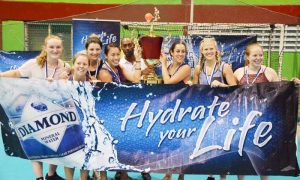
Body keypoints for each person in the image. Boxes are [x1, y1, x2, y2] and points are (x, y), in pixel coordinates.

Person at [0, 35, 69, 180]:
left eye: (58, 47)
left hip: (54, 112)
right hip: (33, 111)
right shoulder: (34, 64)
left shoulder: (65, 66)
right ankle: (39, 178)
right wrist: (1, 74)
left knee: (55, 144)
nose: (55, 50)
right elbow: (17, 73)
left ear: (62, 49)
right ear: (45, 48)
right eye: (51, 47)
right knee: (35, 147)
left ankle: (51, 175)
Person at [193, 37, 237, 180]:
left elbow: (237, 89)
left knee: (222, 145)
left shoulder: (225, 67)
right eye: (206, 49)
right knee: (207, 143)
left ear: (216, 50)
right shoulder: (198, 69)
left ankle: (222, 177)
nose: (209, 51)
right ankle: (210, 175)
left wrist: (221, 85)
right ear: (202, 51)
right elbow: (194, 90)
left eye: (211, 48)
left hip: (223, 113)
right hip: (205, 113)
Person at [234, 43, 279, 180]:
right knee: (241, 153)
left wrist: (293, 84)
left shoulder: (269, 72)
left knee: (262, 154)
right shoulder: (239, 73)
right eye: (255, 55)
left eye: (260, 55)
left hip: (263, 120)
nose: (258, 58)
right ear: (247, 57)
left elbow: (281, 90)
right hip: (242, 119)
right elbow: (229, 93)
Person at [119, 37, 152, 180]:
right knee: (125, 139)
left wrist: (143, 72)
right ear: (121, 47)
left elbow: (150, 73)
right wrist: (141, 73)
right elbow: (132, 79)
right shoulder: (120, 63)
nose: (127, 47)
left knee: (142, 137)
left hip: (143, 103)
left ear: (134, 45)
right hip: (126, 105)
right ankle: (121, 171)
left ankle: (144, 169)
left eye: (129, 45)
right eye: (124, 45)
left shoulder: (143, 59)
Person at [160, 40, 191, 180]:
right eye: (177, 51)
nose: (180, 54)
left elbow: (167, 83)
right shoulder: (169, 66)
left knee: (181, 143)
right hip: (168, 110)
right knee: (168, 143)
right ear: (171, 52)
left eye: (183, 51)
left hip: (181, 110)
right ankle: (168, 173)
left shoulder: (186, 68)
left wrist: (162, 64)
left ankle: (180, 176)